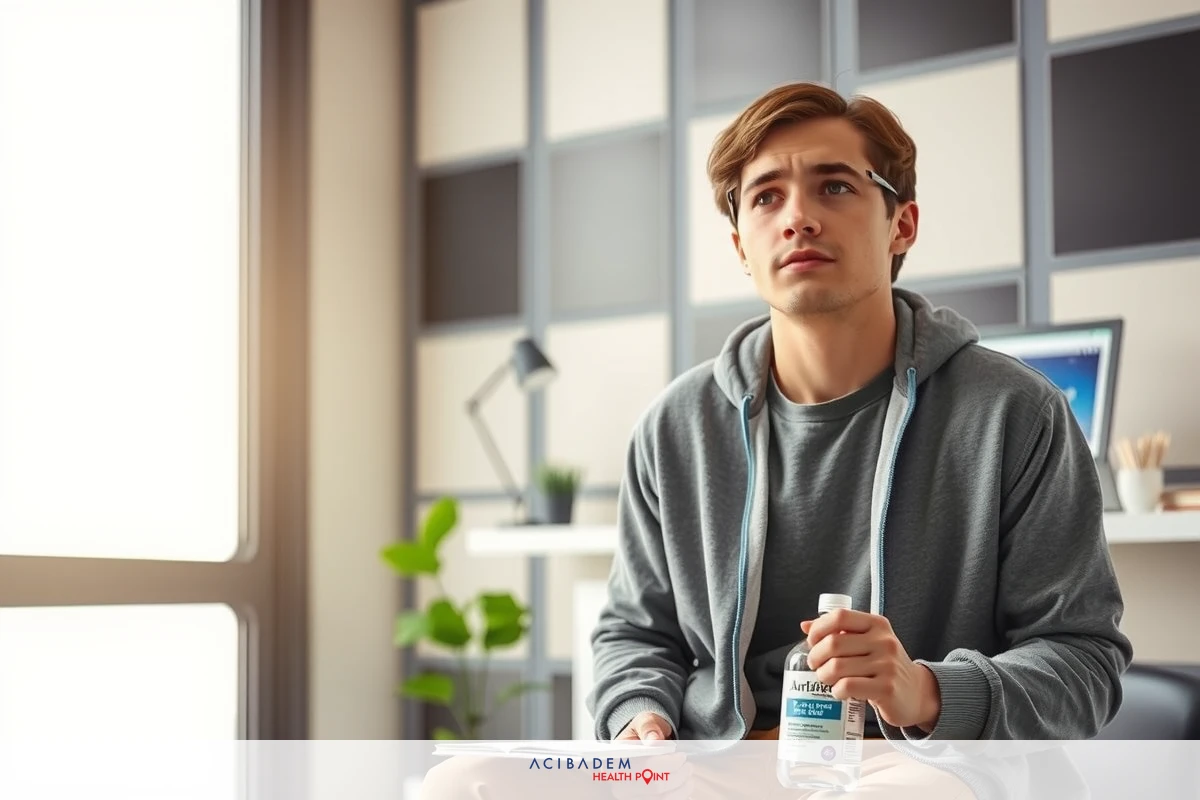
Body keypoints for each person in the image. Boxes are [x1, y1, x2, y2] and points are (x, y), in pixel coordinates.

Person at [586, 80, 1132, 744]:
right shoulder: (674, 429)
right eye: (765, 197)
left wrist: (925, 692)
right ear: (740, 249)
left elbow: (1083, 660)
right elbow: (634, 634)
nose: (798, 218)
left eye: (835, 186)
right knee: (458, 782)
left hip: (927, 777)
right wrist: (639, 715)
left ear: (901, 224)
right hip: (720, 771)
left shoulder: (1018, 415)